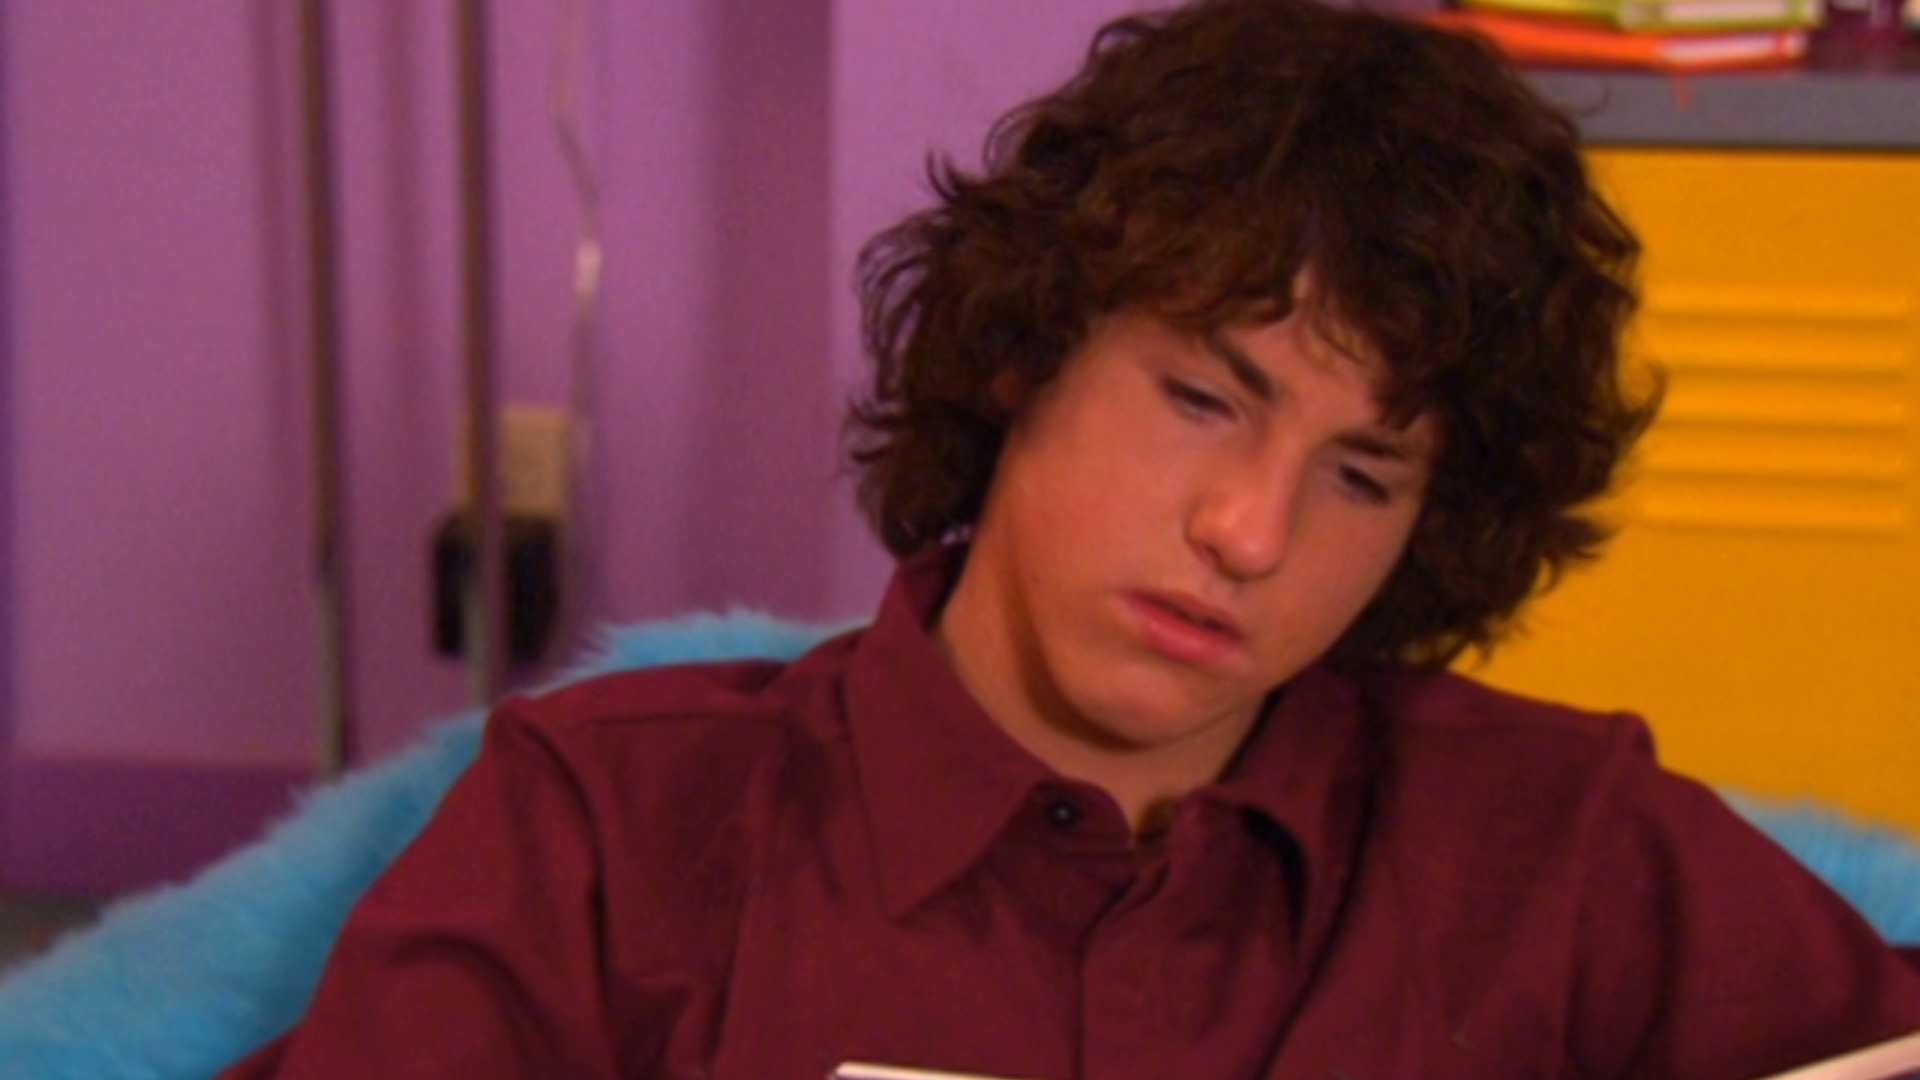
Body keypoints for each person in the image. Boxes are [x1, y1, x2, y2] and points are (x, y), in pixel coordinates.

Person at [219, 1, 1920, 1077]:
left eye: (1360, 478)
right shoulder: (608, 831)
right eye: (1203, 397)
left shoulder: (1558, 844)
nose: (1249, 533)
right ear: (1026, 353)